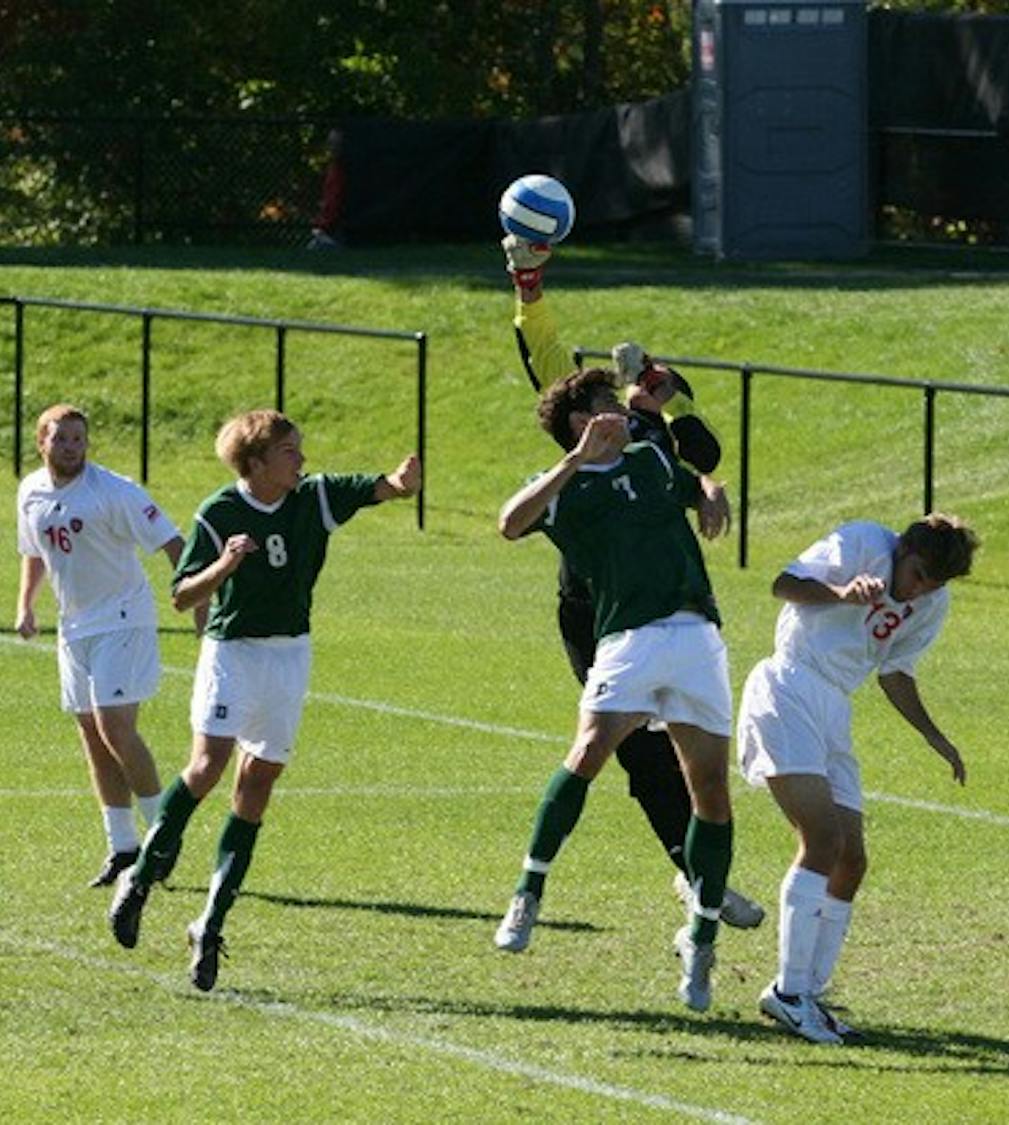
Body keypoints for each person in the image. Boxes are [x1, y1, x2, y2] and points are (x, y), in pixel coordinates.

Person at [108, 409, 421, 992]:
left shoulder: (315, 497)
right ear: (255, 464)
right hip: (232, 652)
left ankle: (209, 923)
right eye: (288, 452)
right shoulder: (220, 512)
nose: (301, 459)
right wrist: (225, 564)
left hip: (289, 655)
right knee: (208, 765)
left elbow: (382, 487)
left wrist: (402, 484)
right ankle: (141, 879)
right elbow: (181, 598)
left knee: (257, 786)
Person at [501, 232, 763, 929]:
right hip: (596, 603)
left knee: (688, 747)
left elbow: (703, 459)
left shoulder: (650, 434)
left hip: (671, 605)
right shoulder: (592, 431)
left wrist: (670, 410)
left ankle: (700, 876)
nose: (625, 393)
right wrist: (529, 285)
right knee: (635, 750)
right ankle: (691, 869)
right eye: (620, 390)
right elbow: (550, 361)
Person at [493, 367, 736, 1013]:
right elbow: (510, 522)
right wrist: (576, 459)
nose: (626, 414)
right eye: (609, 405)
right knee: (589, 752)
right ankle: (528, 893)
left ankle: (702, 939)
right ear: (582, 420)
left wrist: (712, 492)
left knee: (711, 791)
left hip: (697, 631)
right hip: (628, 636)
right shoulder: (565, 488)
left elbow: (696, 480)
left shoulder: (650, 459)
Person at [738, 515, 978, 1043]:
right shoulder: (864, 542)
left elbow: (895, 671)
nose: (915, 591)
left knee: (851, 859)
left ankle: (806, 993)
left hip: (834, 707)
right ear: (903, 549)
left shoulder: (932, 603)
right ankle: (790, 995)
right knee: (822, 840)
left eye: (930, 585)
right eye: (915, 575)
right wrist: (842, 592)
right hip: (789, 685)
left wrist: (933, 736)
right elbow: (783, 584)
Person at [14, 403, 195, 888]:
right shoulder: (30, 491)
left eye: (78, 439)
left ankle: (163, 838)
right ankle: (122, 847)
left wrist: (197, 598)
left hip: (123, 619)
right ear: (41, 442)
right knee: (92, 736)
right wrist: (26, 606)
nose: (71, 447)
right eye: (61, 439)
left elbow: (174, 544)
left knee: (116, 728)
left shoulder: (115, 492)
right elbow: (34, 552)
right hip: (74, 629)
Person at [306, 128, 345, 250]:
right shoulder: (334, 168)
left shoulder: (344, 170)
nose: (331, 148)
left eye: (336, 144)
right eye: (330, 144)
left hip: (338, 229)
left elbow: (335, 201)